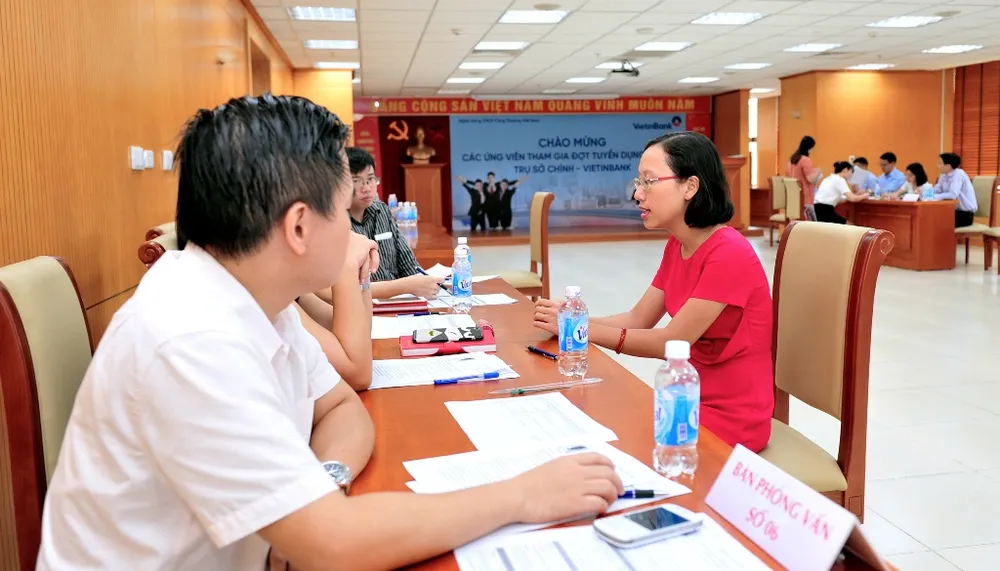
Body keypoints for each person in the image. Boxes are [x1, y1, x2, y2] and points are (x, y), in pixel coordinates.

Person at [38, 95, 624, 571]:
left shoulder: (251, 293)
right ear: (299, 226)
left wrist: (324, 482)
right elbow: (334, 546)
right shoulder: (189, 337)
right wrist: (521, 494)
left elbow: (342, 405)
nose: (353, 229)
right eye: (342, 211)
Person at [533, 132, 774, 452]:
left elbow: (671, 341)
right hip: (684, 400)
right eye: (639, 182)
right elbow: (638, 319)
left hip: (728, 417)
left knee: (595, 440)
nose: (637, 194)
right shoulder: (678, 244)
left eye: (649, 181)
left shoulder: (729, 253)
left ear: (690, 186)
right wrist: (571, 319)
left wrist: (580, 329)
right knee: (581, 421)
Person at [177, 229, 375, 391]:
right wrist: (346, 263)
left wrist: (361, 270)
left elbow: (359, 336)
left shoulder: (283, 283)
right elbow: (356, 373)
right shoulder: (256, 289)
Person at [346, 147, 443, 299]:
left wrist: (426, 282)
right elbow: (347, 287)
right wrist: (406, 286)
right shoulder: (335, 223)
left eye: (370, 179)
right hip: (361, 304)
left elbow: (408, 264)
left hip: (398, 301)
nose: (366, 188)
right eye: (357, 181)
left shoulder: (382, 211)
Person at [933, 152, 979, 227]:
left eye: (940, 163)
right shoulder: (943, 176)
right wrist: (925, 193)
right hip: (953, 211)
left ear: (948, 166)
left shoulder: (958, 174)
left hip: (965, 214)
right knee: (930, 217)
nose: (937, 166)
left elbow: (953, 195)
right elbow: (937, 190)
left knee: (938, 223)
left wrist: (935, 196)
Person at [785, 136, 820, 205]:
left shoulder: (791, 160)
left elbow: (788, 175)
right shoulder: (805, 160)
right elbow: (810, 179)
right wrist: (818, 172)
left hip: (793, 196)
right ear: (810, 148)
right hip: (804, 197)